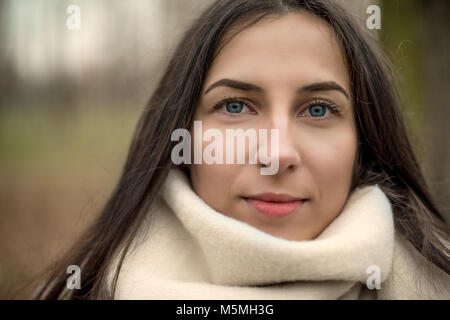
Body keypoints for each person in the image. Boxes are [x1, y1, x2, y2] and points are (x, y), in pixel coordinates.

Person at [34, 0, 449, 299]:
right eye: (235, 106)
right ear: (182, 136)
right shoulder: (81, 288)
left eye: (318, 109)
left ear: (365, 143)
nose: (276, 153)